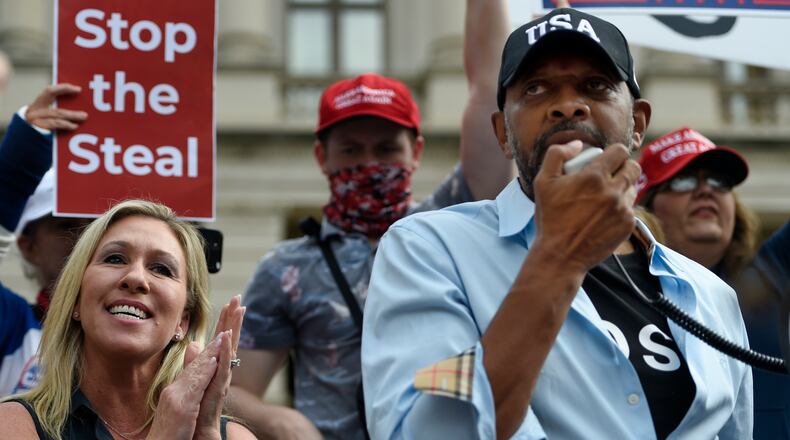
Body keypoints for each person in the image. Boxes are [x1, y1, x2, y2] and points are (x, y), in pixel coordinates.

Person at [362, 8, 751, 439]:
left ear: (637, 123)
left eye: (596, 86)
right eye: (536, 89)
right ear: (503, 134)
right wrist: (560, 256)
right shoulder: (428, 250)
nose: (567, 105)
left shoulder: (711, 295)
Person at [228, 1, 514, 438]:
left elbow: (490, 89)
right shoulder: (284, 268)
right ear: (322, 157)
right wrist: (280, 420)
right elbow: (236, 389)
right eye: (351, 149)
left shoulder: (449, 223)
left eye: (385, 150)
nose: (369, 163)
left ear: (415, 153)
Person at [0, 199, 255, 440]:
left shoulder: (232, 436)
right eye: (115, 258)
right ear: (76, 300)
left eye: (161, 269)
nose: (135, 278)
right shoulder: (12, 424)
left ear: (183, 321)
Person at [636, 126, 790, 439]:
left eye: (720, 181)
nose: (706, 190)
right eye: (683, 179)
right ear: (645, 207)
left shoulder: (764, 280)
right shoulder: (618, 294)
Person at [0, 84, 86, 397]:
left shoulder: (147, 329)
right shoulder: (11, 324)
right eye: (65, 226)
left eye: (96, 225)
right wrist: (20, 159)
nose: (84, 238)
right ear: (28, 245)